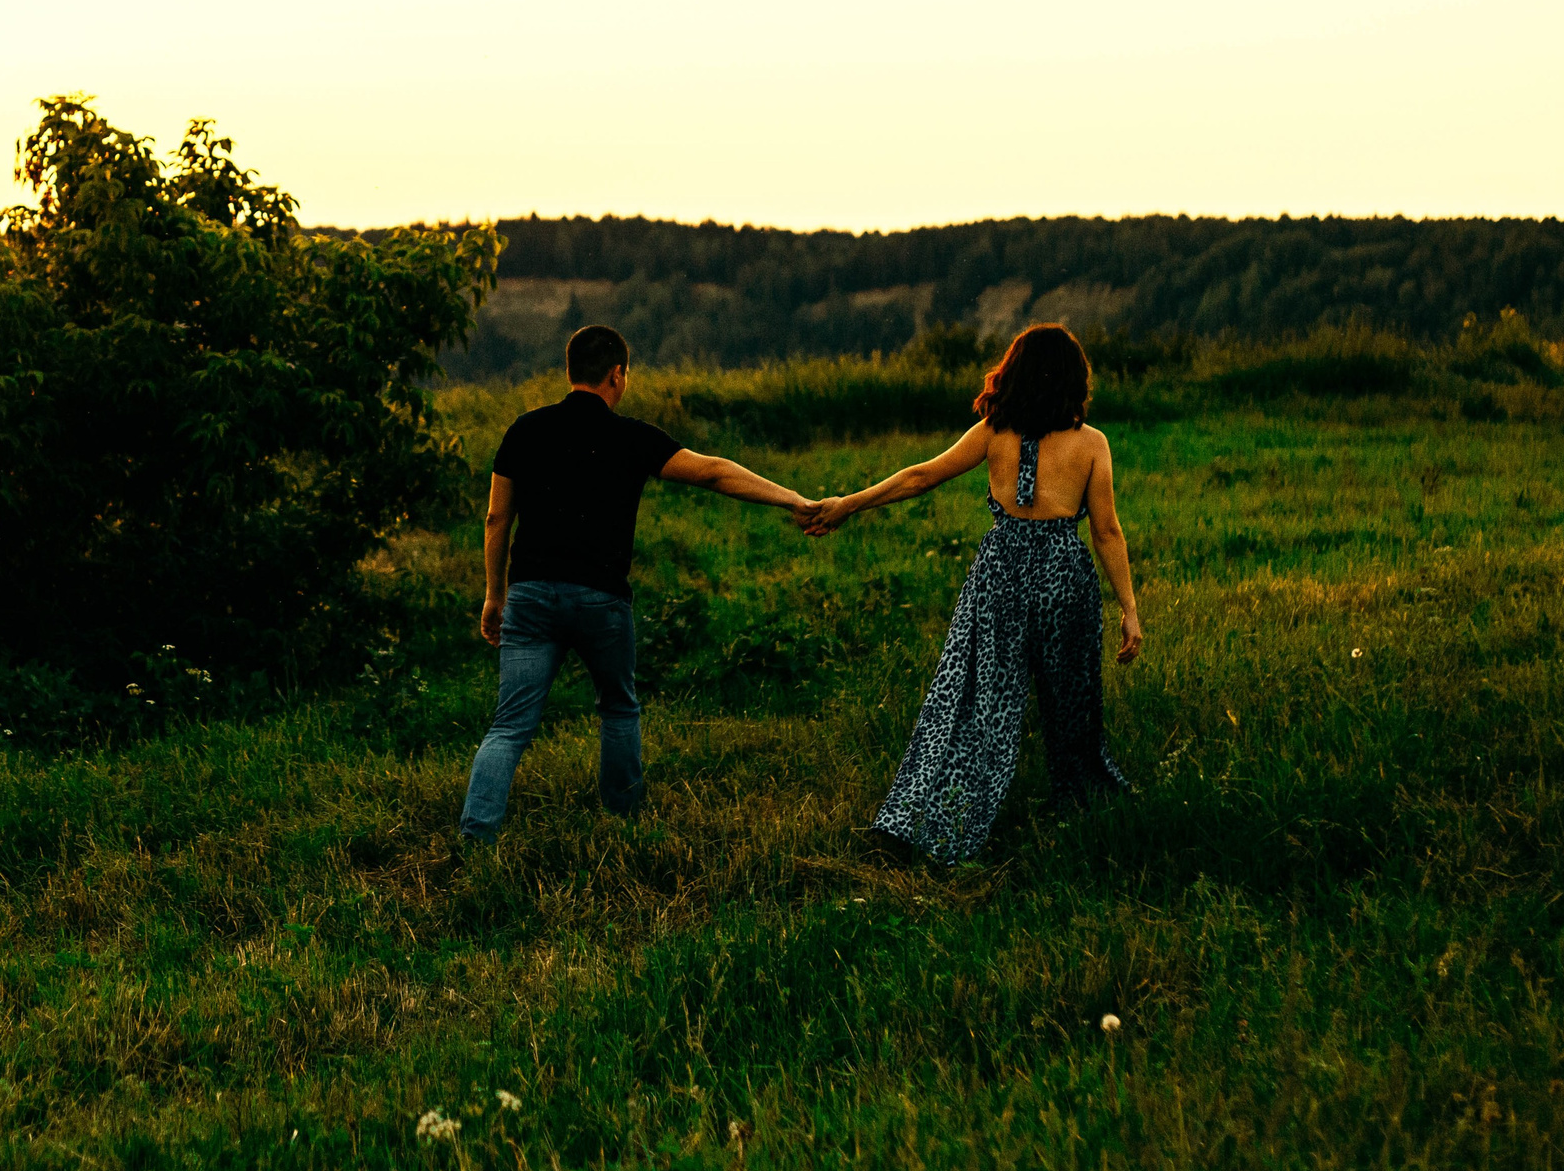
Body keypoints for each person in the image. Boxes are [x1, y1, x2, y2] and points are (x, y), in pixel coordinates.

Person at [461, 324, 816, 846]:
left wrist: (495, 595)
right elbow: (715, 473)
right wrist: (795, 500)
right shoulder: (631, 437)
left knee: (511, 725)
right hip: (601, 601)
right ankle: (622, 825)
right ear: (617, 375)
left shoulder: (524, 430)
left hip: (531, 596)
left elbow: (497, 519)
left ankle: (475, 836)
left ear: (570, 372)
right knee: (619, 708)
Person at [805, 323, 1144, 864]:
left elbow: (920, 477)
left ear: (1015, 373)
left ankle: (934, 828)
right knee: (1073, 707)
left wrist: (848, 504)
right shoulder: (1092, 443)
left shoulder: (994, 432)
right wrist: (1129, 609)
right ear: (1075, 380)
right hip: (1064, 577)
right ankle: (1083, 810)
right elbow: (1106, 530)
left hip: (1001, 575)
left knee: (977, 707)